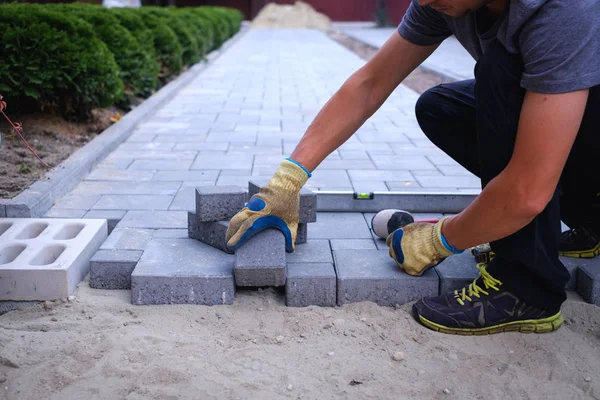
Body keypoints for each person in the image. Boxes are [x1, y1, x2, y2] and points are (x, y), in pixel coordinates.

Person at [226, 0, 600, 335]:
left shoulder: (563, 10)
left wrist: (442, 238)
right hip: (579, 137)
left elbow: (529, 191)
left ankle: (527, 288)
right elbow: (369, 83)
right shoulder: (439, 2)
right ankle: (589, 221)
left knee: (501, 70)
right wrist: (288, 180)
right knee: (440, 108)